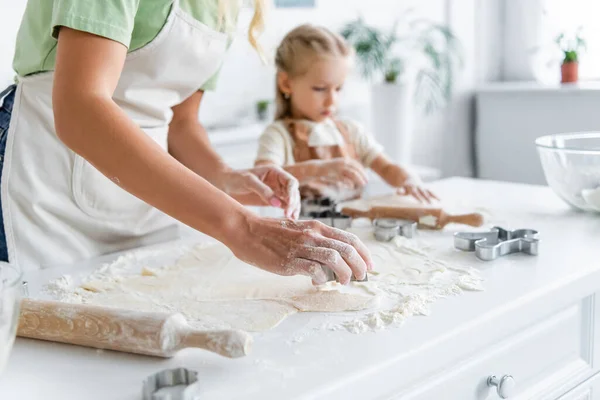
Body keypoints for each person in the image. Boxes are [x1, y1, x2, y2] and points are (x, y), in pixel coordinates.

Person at [0, 0, 372, 285]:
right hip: (45, 184)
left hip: (145, 201)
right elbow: (81, 109)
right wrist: (243, 228)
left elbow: (181, 124)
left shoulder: (222, 6)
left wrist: (226, 177)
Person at [254, 24, 438, 203]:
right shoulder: (277, 136)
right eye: (320, 88)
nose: (332, 100)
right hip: (306, 232)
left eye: (338, 88)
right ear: (286, 83)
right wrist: (318, 170)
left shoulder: (351, 131)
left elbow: (387, 167)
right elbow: (264, 177)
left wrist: (409, 180)